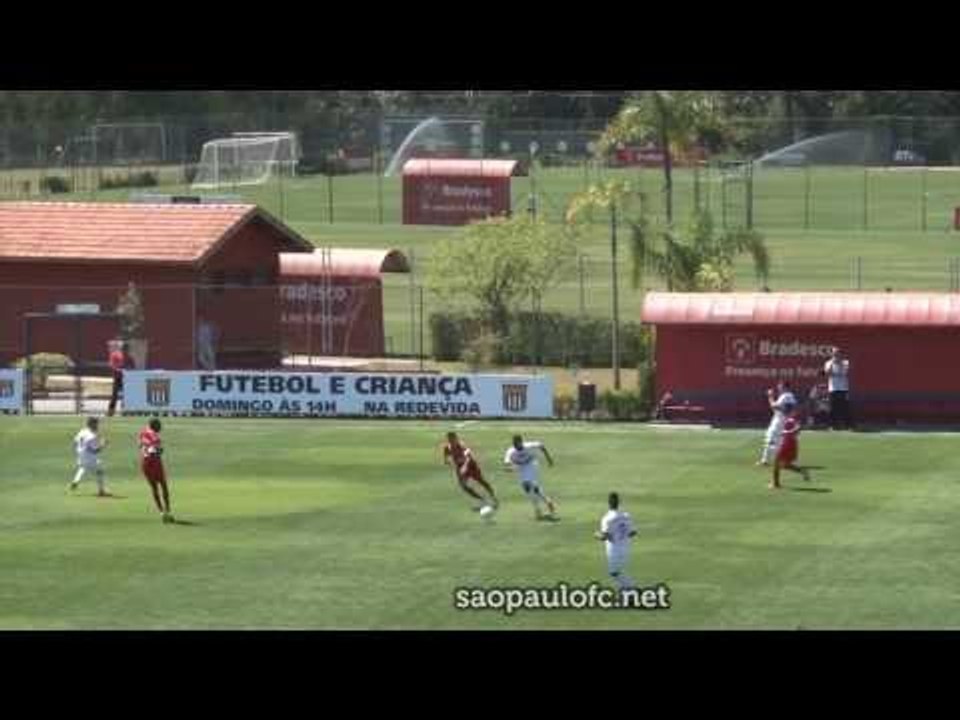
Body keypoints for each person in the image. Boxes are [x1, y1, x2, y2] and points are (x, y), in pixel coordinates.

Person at [503, 434, 556, 520]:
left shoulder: (528, 446)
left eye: (517, 443)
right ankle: (546, 503)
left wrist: (549, 459)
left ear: (521, 442)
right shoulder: (510, 451)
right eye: (514, 444)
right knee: (529, 490)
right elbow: (506, 464)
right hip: (521, 469)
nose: (516, 445)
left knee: (529, 485)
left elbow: (541, 446)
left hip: (531, 465)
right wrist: (510, 468)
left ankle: (539, 510)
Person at [442, 432, 498, 510]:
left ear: (456, 438)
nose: (452, 442)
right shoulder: (447, 447)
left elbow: (468, 457)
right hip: (460, 467)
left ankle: (493, 497)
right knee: (464, 486)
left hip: (471, 465)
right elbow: (446, 455)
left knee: (481, 481)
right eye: (450, 440)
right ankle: (481, 500)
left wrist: (464, 466)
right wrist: (446, 460)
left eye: (453, 439)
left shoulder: (462, 446)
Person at [594, 492, 638, 592]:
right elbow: (633, 532)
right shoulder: (626, 516)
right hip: (626, 548)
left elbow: (604, 536)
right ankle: (626, 590)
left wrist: (596, 535)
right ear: (618, 502)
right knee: (620, 571)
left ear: (608, 503)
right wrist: (623, 535)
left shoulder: (607, 518)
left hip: (614, 550)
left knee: (614, 572)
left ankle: (631, 587)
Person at [139, 418, 174, 524]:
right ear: (154, 425)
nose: (160, 428)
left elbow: (140, 446)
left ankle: (161, 512)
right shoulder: (155, 436)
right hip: (155, 462)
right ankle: (168, 511)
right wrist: (159, 450)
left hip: (145, 463)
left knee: (154, 487)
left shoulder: (142, 433)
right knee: (163, 485)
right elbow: (156, 450)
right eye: (159, 425)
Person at [771, 405, 811, 490]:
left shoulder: (791, 420)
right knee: (786, 465)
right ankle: (802, 471)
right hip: (790, 443)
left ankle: (776, 484)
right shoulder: (787, 419)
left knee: (776, 463)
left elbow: (798, 428)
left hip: (787, 444)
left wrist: (787, 432)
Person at [758, 380, 797, 466]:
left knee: (771, 439)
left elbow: (775, 407)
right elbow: (788, 409)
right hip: (781, 420)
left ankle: (768, 460)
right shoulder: (789, 396)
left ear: (784, 386)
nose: (778, 387)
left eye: (780, 385)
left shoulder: (786, 395)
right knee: (778, 441)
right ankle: (779, 460)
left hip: (780, 421)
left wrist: (770, 396)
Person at [69, 416, 110, 497]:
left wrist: (79, 450)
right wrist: (103, 445)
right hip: (89, 456)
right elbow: (95, 450)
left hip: (80, 454)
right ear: (92, 424)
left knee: (83, 467)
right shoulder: (91, 436)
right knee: (100, 471)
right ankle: (101, 491)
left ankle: (76, 481)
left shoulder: (82, 431)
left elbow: (75, 442)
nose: (98, 425)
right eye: (96, 423)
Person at [823, 347, 852, 430]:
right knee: (832, 408)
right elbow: (827, 373)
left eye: (838, 353)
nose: (836, 354)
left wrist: (840, 364)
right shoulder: (828, 363)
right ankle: (832, 425)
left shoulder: (846, 362)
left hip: (844, 388)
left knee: (845, 407)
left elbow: (845, 372)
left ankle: (848, 425)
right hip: (833, 388)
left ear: (840, 354)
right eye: (834, 353)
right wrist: (832, 363)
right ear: (832, 354)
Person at [106, 340, 130, 417]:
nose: (125, 349)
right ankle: (110, 412)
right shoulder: (114, 355)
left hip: (126, 378)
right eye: (123, 347)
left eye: (126, 348)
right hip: (117, 377)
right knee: (114, 395)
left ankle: (124, 411)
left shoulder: (128, 357)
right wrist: (119, 370)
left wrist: (128, 370)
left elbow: (131, 366)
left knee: (126, 395)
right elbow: (112, 365)